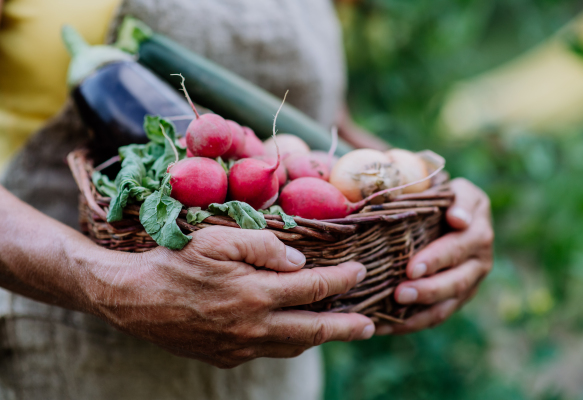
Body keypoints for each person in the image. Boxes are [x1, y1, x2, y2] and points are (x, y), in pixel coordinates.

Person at [0, 0, 494, 399]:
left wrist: (432, 194)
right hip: (73, 353)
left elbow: (327, 135)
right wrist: (110, 285)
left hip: (280, 376)